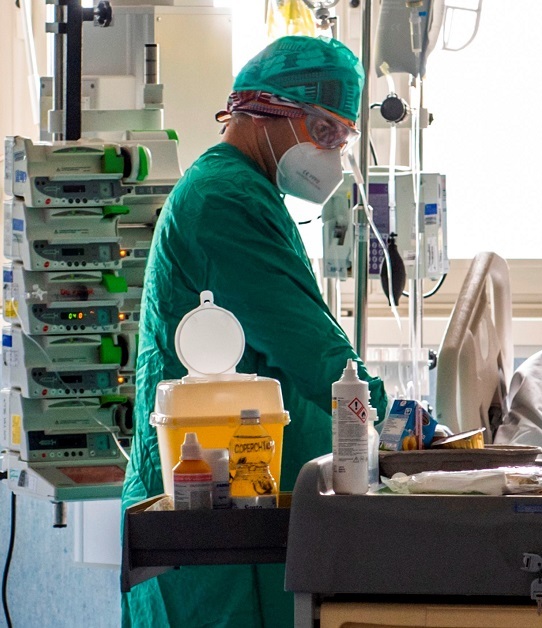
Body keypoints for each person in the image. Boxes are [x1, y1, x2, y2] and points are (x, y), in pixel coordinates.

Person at [121, 36, 388, 628]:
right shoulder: (225, 200)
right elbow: (311, 350)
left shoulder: (249, 191)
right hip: (210, 513)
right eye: (324, 132)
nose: (335, 154)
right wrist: (390, 421)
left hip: (239, 500)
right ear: (263, 110)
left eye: (344, 137)